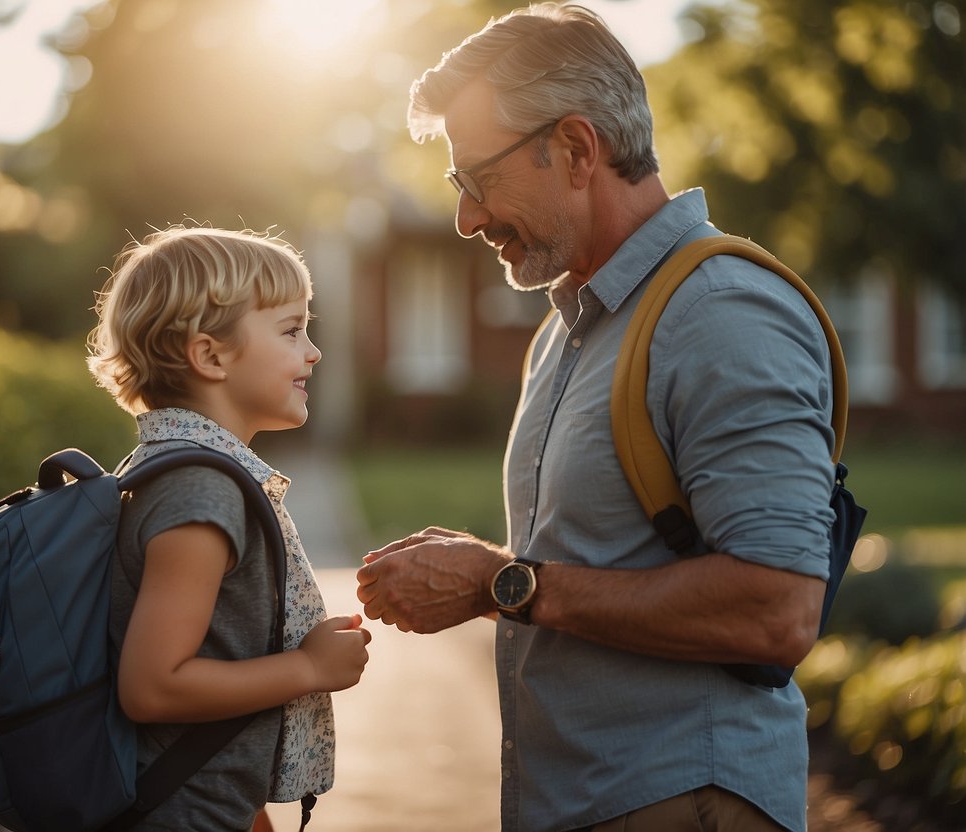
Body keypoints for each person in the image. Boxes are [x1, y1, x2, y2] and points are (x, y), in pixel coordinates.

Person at [356, 5, 836, 832]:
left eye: (479, 179)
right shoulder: (569, 328)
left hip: (683, 799)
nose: (467, 218)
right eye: (456, 186)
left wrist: (500, 583)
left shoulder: (721, 312)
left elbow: (775, 610)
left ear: (577, 149)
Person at [88, 225, 371, 831]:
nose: (313, 351)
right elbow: (153, 687)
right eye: (292, 331)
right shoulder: (201, 492)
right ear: (210, 355)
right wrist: (310, 670)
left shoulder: (185, 472)